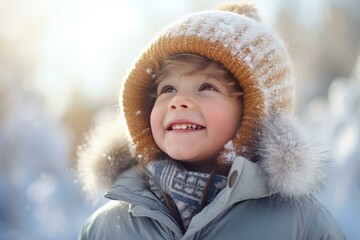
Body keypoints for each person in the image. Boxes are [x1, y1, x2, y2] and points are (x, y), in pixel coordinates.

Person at [77, 2, 345, 239]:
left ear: (255, 113)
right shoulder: (109, 226)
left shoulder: (300, 224)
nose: (178, 101)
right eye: (167, 89)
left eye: (207, 87)